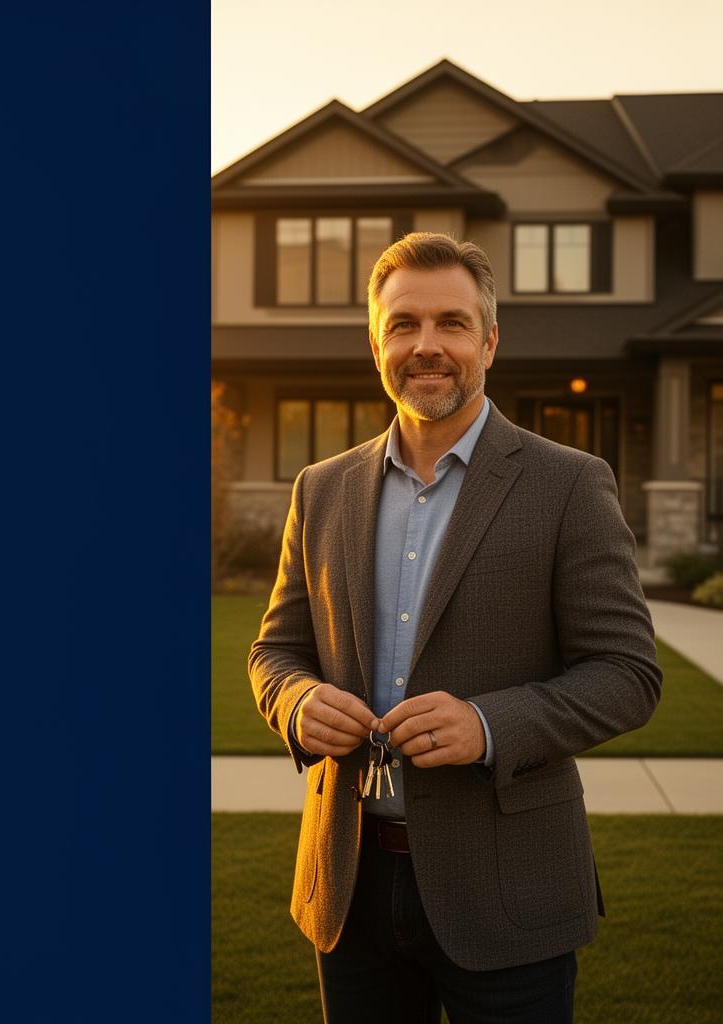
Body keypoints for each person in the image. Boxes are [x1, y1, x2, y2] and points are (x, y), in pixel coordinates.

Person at [248, 232, 662, 1024]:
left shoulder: (570, 484)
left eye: (451, 323)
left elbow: (627, 674)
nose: (426, 345)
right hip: (349, 885)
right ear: (376, 345)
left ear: (489, 342)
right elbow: (276, 650)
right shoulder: (320, 488)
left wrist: (487, 724)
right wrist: (297, 702)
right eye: (403, 324)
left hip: (510, 888)